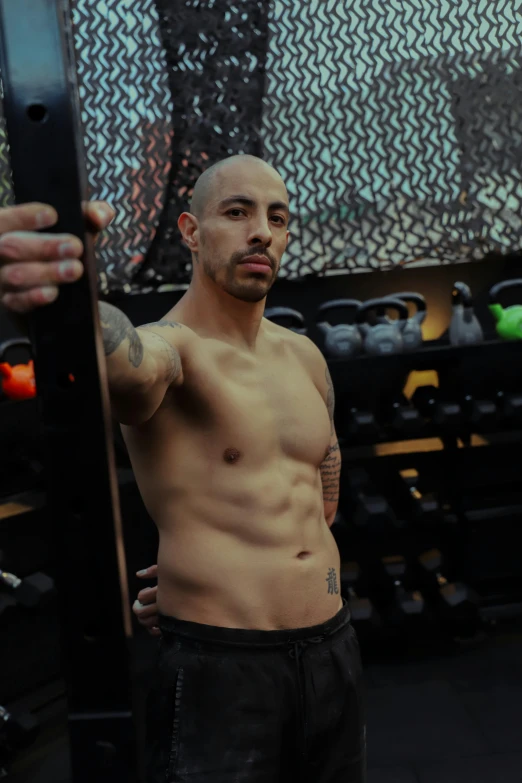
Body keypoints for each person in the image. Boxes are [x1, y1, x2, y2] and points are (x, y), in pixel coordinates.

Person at [0, 155, 367, 782]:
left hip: (334, 650)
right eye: (237, 211)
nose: (262, 232)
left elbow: (320, 493)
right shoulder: (171, 349)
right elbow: (124, 366)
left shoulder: (303, 356)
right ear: (191, 231)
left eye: (277, 218)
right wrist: (69, 296)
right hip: (221, 668)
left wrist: (228, 561)